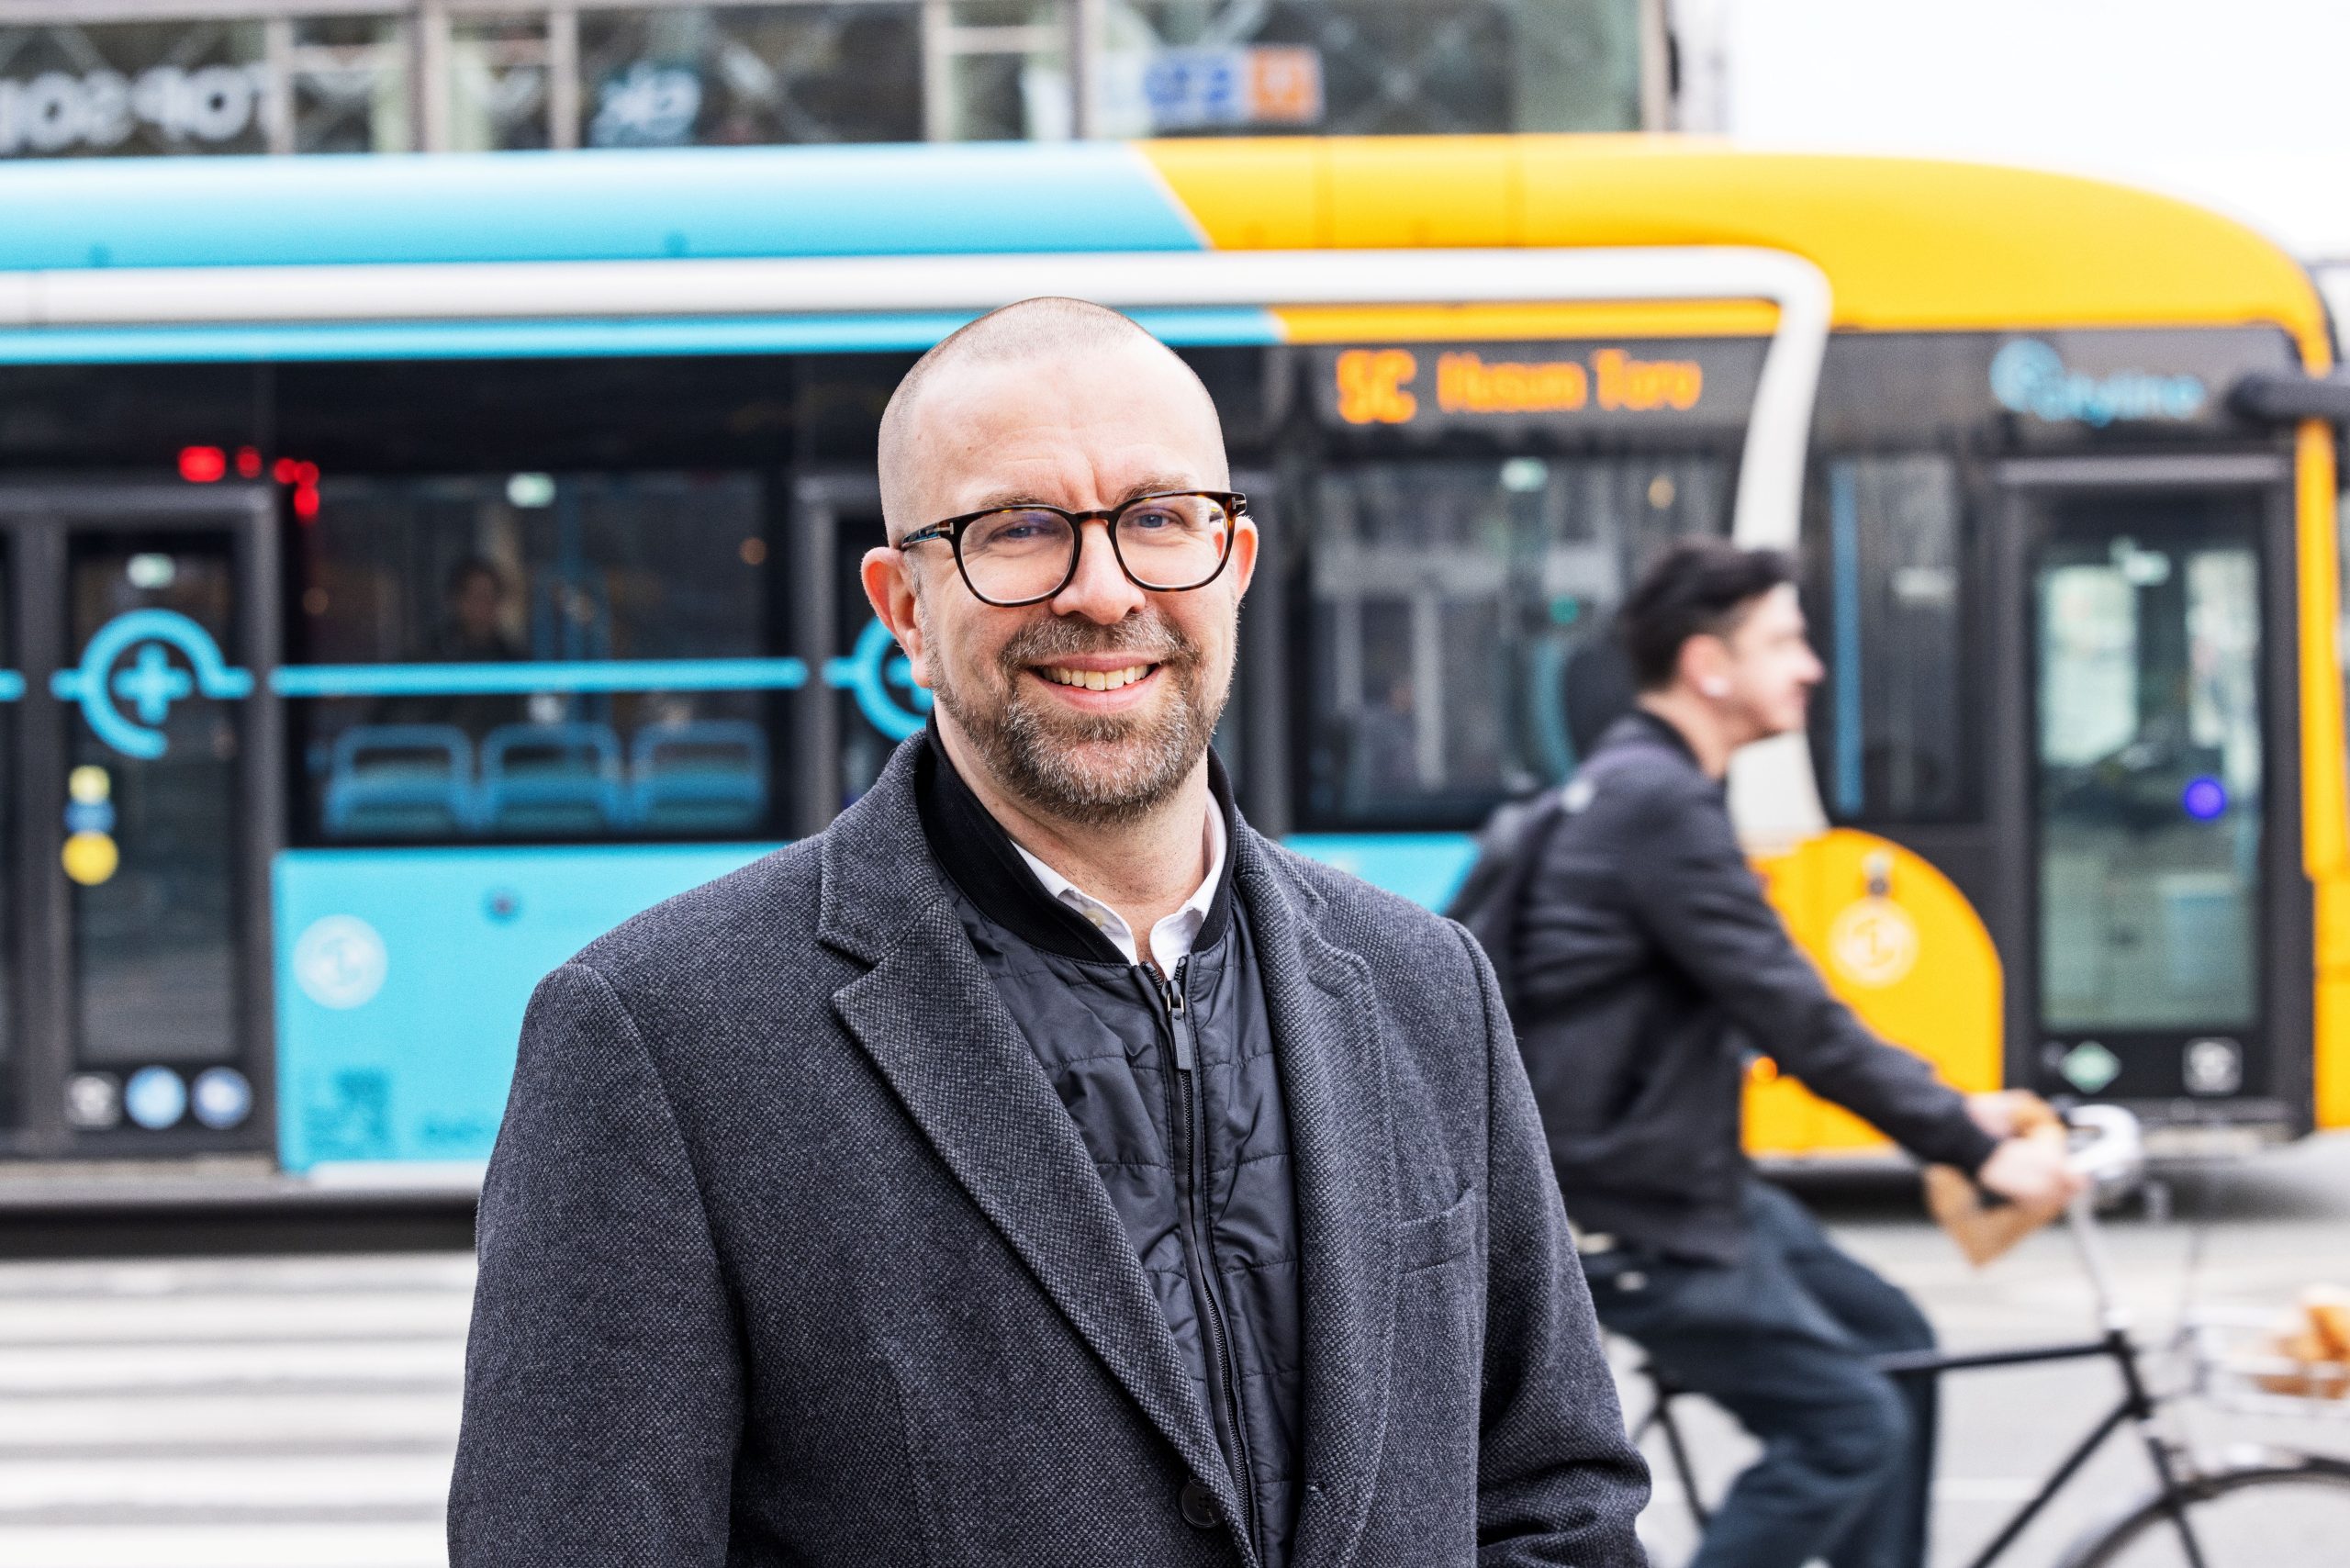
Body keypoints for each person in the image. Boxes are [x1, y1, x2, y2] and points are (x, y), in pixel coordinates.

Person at [448, 298, 1649, 1567]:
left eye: (1158, 518)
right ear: (904, 605)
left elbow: (1554, 1498)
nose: (1102, 589)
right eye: (1017, 530)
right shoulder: (659, 1037)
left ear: (1233, 561)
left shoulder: (1427, 985)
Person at [1507, 540, 2082, 1568]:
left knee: (1895, 1340)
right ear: (1706, 666)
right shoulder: (1657, 804)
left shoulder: (1649, 788)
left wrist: (1959, 1109)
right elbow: (1795, 1019)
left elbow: (1782, 1009)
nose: (1810, 665)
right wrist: (1969, 1146)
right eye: (1785, 640)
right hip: (1630, 1217)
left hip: (1683, 1187)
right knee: (1846, 1428)